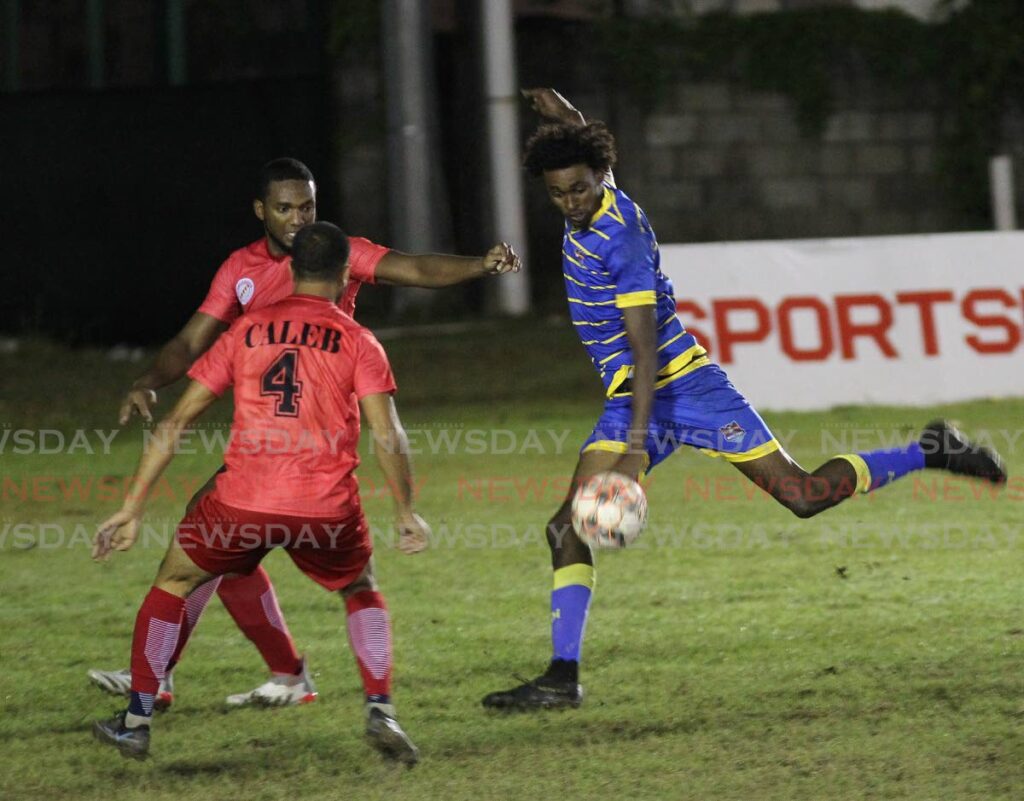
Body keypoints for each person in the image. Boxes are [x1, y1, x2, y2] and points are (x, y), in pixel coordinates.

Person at [480, 89, 1008, 711]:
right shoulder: (601, 189)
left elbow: (646, 353)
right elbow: (585, 147)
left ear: (601, 179)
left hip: (683, 388)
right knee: (564, 527)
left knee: (804, 497)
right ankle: (561, 677)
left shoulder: (618, 241)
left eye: (579, 189)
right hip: (634, 397)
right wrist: (564, 117)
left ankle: (930, 451)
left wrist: (630, 456)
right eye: (557, 193)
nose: (570, 201)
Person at [89, 157, 520, 710]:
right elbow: (191, 341)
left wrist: (478, 265)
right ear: (261, 211)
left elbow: (413, 269)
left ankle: (164, 680)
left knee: (201, 556)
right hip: (265, 441)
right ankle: (296, 677)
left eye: (308, 206)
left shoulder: (335, 251)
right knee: (231, 558)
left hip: (317, 445)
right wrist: (149, 380)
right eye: (286, 208)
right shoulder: (240, 268)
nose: (298, 218)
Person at [92, 222, 424, 764]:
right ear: (345, 274)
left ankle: (136, 721)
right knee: (360, 586)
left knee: (175, 581)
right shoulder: (360, 340)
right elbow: (388, 434)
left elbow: (176, 422)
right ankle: (380, 709)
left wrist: (131, 508)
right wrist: (406, 510)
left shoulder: (246, 331)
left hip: (241, 502)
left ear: (291, 270)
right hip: (325, 509)